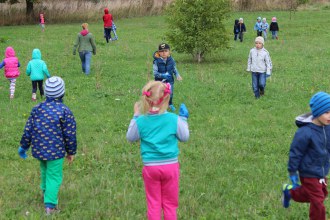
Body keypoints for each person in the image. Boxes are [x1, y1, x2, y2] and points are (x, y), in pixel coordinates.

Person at [126, 80, 189, 220]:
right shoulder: (174, 119)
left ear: (146, 99)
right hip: (170, 167)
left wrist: (135, 116)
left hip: (151, 168)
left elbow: (130, 137)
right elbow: (184, 137)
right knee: (170, 204)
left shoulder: (141, 120)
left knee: (153, 204)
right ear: (166, 99)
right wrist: (183, 119)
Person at [18, 76, 77, 215]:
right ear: (62, 93)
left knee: (45, 172)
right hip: (55, 152)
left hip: (39, 150)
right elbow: (70, 135)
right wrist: (71, 151)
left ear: (45, 92)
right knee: (54, 176)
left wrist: (24, 146)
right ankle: (50, 206)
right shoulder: (65, 111)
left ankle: (46, 194)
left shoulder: (37, 108)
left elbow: (29, 129)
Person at [282, 91, 330, 220]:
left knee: (321, 194)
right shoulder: (305, 132)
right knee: (318, 201)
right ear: (318, 112)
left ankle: (290, 192)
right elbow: (295, 153)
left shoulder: (328, 127)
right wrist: (292, 171)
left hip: (321, 170)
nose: (329, 116)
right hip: (308, 171)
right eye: (326, 112)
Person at [153, 43, 182, 111]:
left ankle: (170, 104)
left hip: (169, 80)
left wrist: (177, 75)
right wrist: (163, 75)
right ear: (158, 52)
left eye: (166, 51)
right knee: (160, 94)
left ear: (169, 52)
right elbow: (155, 73)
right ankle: (160, 106)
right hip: (159, 81)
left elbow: (174, 68)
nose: (164, 53)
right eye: (162, 51)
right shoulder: (156, 61)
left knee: (170, 93)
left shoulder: (171, 60)